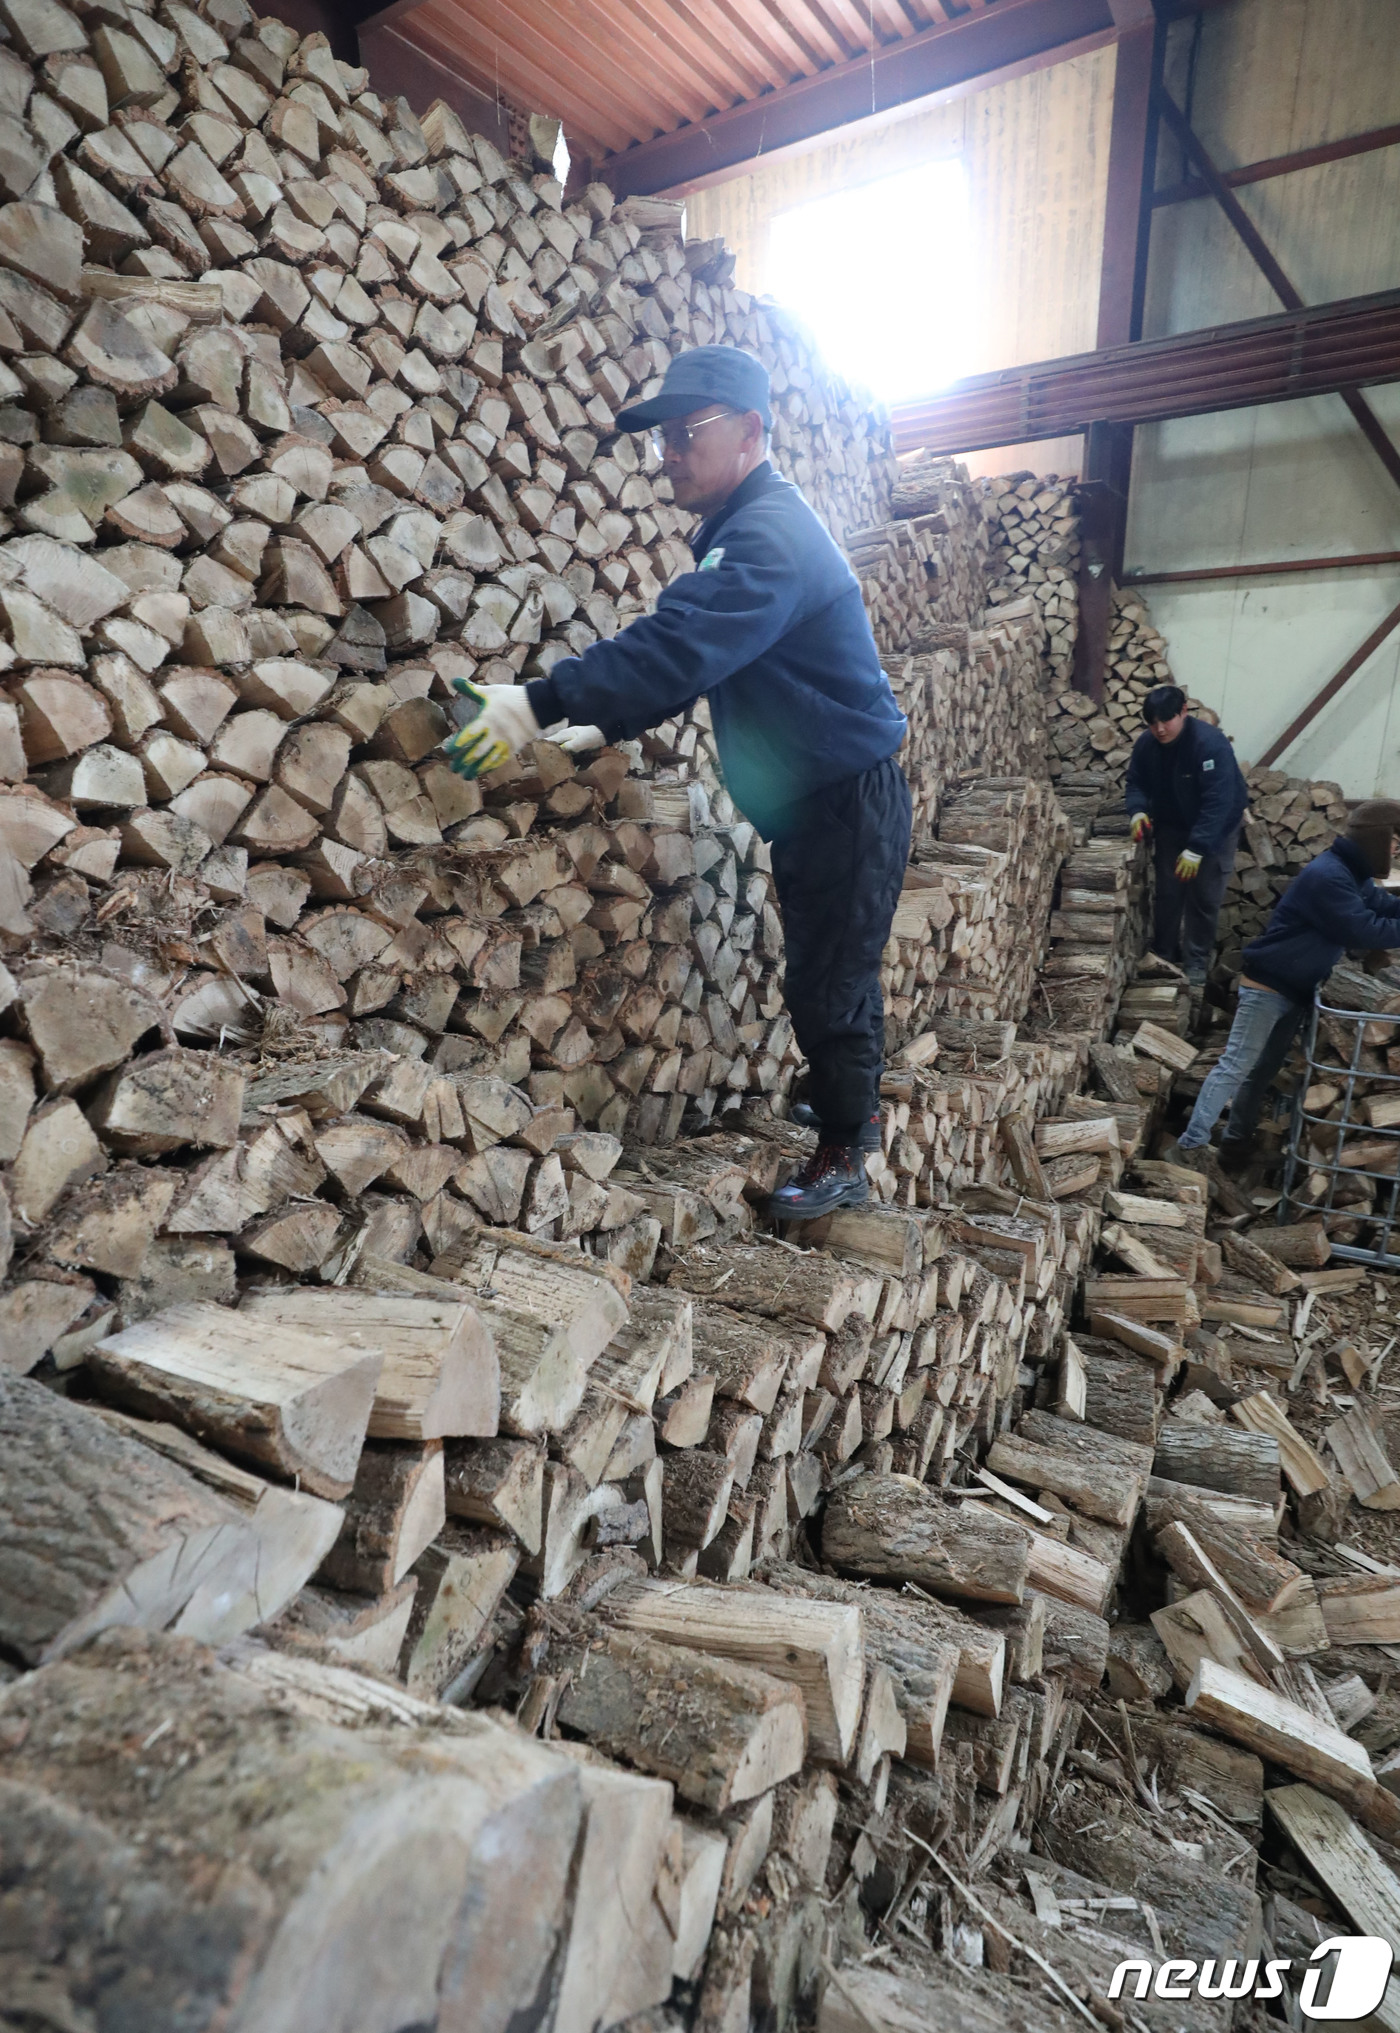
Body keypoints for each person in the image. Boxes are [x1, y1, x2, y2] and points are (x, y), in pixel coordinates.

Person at [441, 344, 912, 1219]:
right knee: (830, 966)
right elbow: (701, 659)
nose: (671, 454)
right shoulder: (749, 531)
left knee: (830, 979)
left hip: (847, 800)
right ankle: (853, 1101)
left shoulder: (767, 538)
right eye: (662, 438)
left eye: (688, 432)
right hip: (826, 803)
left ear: (751, 432)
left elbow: (680, 644)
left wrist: (540, 701)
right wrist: (602, 719)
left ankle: (847, 1148)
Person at [1178, 799, 1400, 1168]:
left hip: (1293, 988)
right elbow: (1363, 928)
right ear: (1377, 837)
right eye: (1395, 838)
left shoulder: (1351, 873)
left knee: (1261, 1071)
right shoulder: (1329, 876)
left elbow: (1380, 904)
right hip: (1268, 987)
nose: (1397, 848)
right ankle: (1189, 1147)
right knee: (1236, 1066)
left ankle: (1234, 1146)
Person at [1125, 684, 1249, 987]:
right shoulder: (1147, 745)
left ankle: (1196, 962)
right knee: (1168, 894)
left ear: (1183, 711)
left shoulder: (1210, 745)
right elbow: (1136, 782)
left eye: (1166, 720)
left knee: (1204, 897)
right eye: (1153, 723)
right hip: (1172, 827)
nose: (1160, 729)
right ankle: (1163, 955)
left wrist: (1197, 848)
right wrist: (1138, 810)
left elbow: (1218, 803)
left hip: (1215, 831)